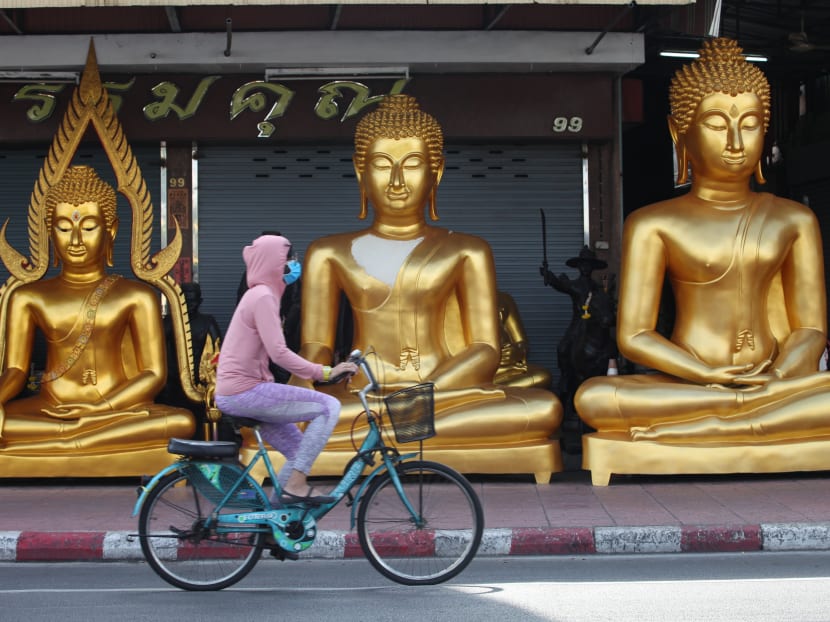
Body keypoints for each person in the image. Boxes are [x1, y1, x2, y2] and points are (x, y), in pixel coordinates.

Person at [575, 38, 830, 444]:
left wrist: (777, 377)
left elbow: (812, 328)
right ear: (681, 133)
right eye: (716, 124)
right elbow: (635, 336)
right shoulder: (653, 223)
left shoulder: (794, 218)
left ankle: (719, 422)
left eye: (750, 124)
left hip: (775, 379)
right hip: (689, 381)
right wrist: (706, 374)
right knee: (595, 398)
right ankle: (744, 419)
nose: (735, 142)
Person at [294, 94, 562, 475]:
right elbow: (316, 345)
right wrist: (299, 380)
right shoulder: (328, 252)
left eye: (413, 165)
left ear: (436, 172)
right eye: (383, 165)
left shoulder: (467, 250)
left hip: (444, 393)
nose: (398, 182)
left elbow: (485, 348)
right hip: (363, 393)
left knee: (542, 409)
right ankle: (396, 429)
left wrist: (421, 398)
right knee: (292, 418)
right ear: (360, 171)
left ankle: (383, 432)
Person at [0, 165, 195, 451]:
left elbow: (154, 374)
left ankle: (75, 437)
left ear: (111, 229)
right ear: (49, 231)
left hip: (116, 409)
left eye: (89, 227)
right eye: (64, 228)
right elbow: (15, 369)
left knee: (181, 422)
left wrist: (98, 409)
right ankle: (80, 439)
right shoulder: (28, 297)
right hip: (50, 408)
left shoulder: (136, 296)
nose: (76, 240)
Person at [215, 234, 357, 503]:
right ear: (271, 262)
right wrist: (325, 373)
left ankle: (276, 524)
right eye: (287, 258)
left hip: (247, 390)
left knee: (296, 451)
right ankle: (295, 486)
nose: (293, 263)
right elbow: (278, 353)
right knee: (329, 407)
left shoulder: (261, 296)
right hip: (245, 391)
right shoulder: (262, 297)